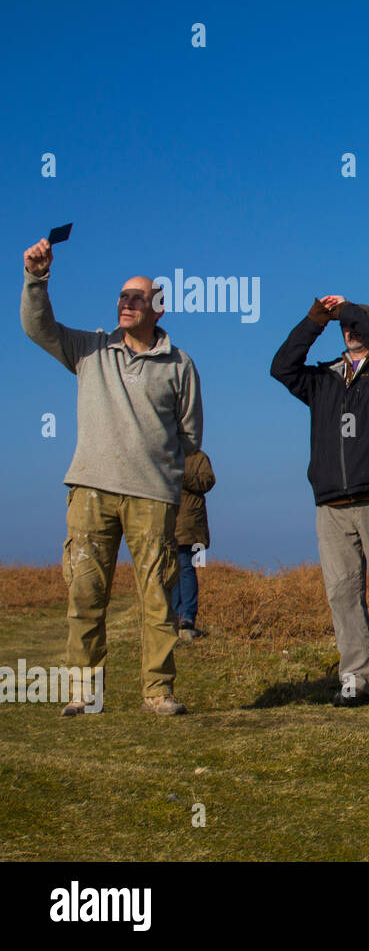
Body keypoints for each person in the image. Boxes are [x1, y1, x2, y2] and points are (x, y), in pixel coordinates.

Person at [21, 238, 202, 716]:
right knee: (84, 593)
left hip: (152, 496)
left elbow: (189, 434)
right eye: (122, 296)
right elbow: (37, 327)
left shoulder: (180, 365)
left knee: (157, 599)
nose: (126, 302)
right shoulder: (88, 348)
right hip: (89, 489)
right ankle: (84, 692)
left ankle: (157, 692)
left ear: (158, 308)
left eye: (137, 296)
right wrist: (36, 279)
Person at [270, 295, 369, 709]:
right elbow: (281, 367)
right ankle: (354, 680)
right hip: (332, 504)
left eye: (358, 325)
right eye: (345, 326)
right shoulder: (322, 379)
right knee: (342, 595)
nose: (351, 330)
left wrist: (350, 309)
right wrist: (315, 320)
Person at [172, 449, 215, 641]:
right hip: (170, 521)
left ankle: (186, 617)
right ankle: (178, 616)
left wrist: (180, 475)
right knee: (173, 570)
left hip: (189, 525)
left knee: (186, 567)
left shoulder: (198, 457)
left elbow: (207, 481)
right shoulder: (167, 452)